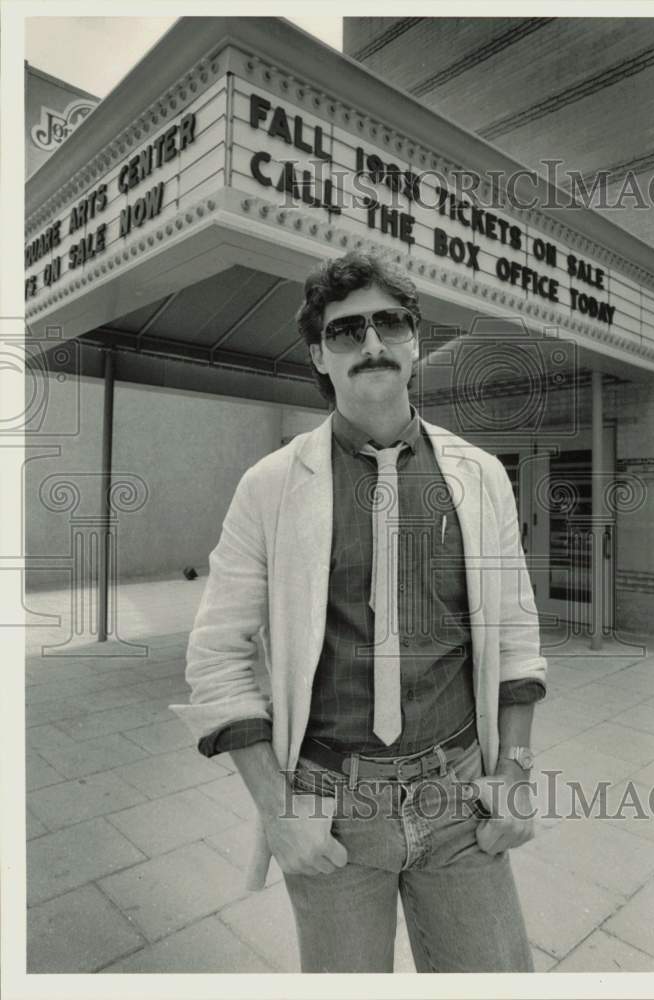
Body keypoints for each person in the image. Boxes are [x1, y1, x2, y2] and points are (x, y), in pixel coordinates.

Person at [171, 250, 548, 973]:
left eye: (389, 324)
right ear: (319, 353)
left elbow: (516, 635)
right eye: (345, 332)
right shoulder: (269, 486)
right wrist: (279, 811)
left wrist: (515, 774)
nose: (371, 344)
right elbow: (215, 656)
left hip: (459, 799)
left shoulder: (478, 476)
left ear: (414, 343)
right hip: (329, 805)